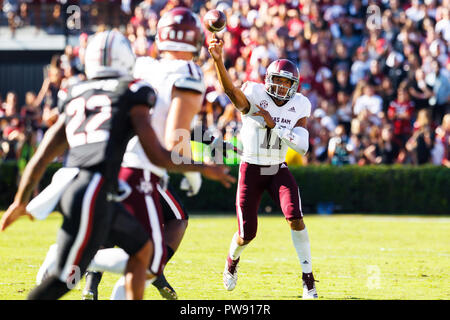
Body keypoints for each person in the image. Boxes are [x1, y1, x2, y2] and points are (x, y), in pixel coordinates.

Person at [0, 29, 235, 300]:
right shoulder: (132, 92)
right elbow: (158, 154)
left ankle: (76, 265)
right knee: (75, 276)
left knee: (141, 253)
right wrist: (204, 168)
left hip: (76, 185)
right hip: (96, 187)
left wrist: (21, 200)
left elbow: (42, 155)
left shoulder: (78, 92)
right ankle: (70, 261)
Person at [82, 7, 208, 300]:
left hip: (109, 157)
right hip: (140, 166)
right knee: (150, 261)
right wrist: (191, 169)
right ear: (195, 40)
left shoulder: (141, 66)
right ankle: (80, 258)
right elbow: (176, 137)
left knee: (138, 254)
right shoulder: (188, 73)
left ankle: (87, 266)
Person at [208, 37, 318, 299]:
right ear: (268, 80)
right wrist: (218, 61)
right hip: (251, 168)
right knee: (247, 233)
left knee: (296, 217)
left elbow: (303, 147)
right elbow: (232, 93)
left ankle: (308, 280)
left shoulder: (300, 104)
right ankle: (232, 260)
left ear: (294, 86)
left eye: (285, 82)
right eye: (277, 80)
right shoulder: (255, 93)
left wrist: (276, 126)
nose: (280, 86)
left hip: (277, 168)